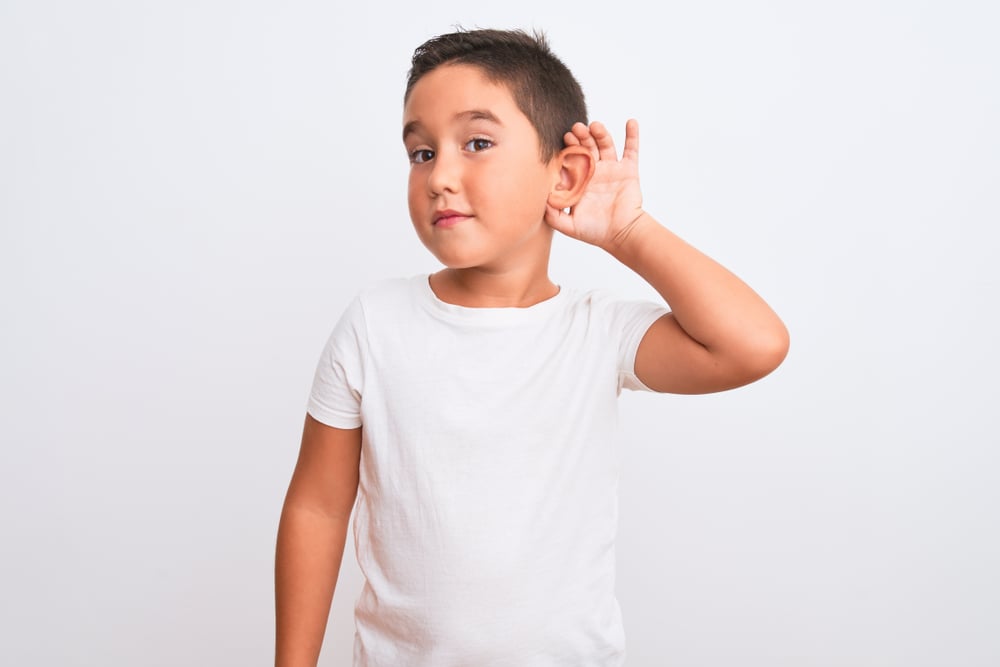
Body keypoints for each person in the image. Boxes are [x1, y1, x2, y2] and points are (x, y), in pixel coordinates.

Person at [274, 28, 789, 667]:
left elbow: (753, 345)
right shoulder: (374, 324)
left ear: (565, 174)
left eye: (477, 143)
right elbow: (318, 508)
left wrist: (628, 230)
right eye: (421, 153)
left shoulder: (597, 331)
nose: (440, 177)